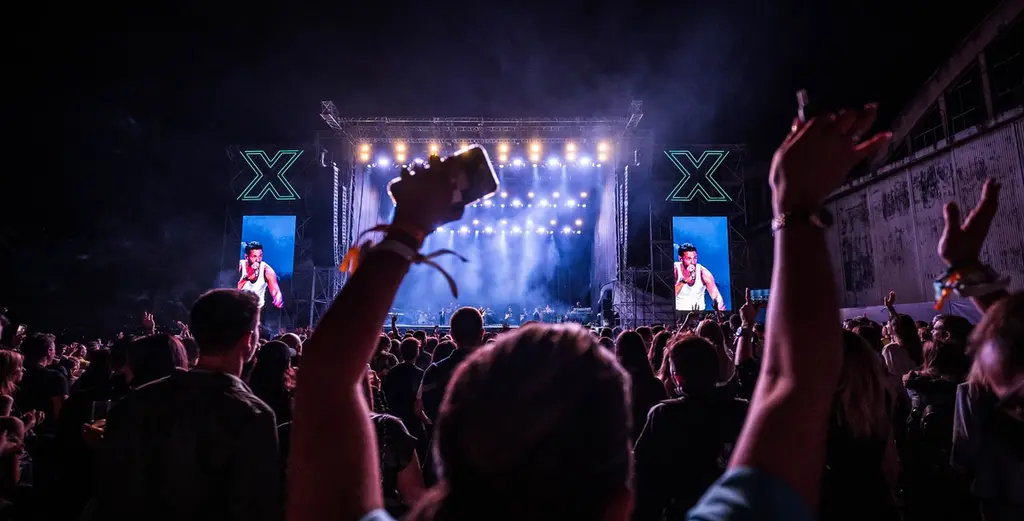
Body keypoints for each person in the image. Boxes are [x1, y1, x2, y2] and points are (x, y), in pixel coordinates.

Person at [674, 243, 725, 311]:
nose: (693, 262)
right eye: (688, 258)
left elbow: (716, 296)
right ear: (680, 259)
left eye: (695, 258)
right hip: (678, 314)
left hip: (699, 314)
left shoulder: (703, 273)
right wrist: (683, 281)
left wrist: (719, 307)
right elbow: (669, 297)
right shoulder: (675, 270)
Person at [238, 241, 283, 309]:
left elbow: (276, 291)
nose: (258, 260)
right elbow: (232, 290)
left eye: (260, 256)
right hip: (239, 307)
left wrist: (278, 298)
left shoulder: (267, 270)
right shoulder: (240, 266)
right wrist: (246, 278)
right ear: (247, 257)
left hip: (257, 309)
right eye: (254, 256)